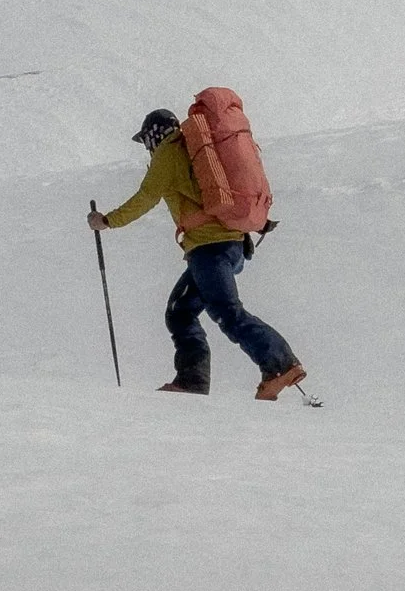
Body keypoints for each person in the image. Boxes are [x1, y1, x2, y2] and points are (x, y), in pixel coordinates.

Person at [91, 107, 307, 399]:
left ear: (154, 135)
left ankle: (280, 365)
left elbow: (145, 198)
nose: (146, 148)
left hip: (210, 248)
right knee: (180, 312)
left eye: (146, 141)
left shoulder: (168, 154)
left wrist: (107, 221)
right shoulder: (194, 150)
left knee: (227, 312)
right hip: (228, 245)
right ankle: (192, 382)